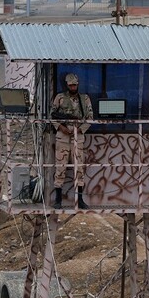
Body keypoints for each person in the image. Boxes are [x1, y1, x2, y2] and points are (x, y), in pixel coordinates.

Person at [51, 73, 93, 209]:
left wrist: (80, 129)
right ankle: (58, 200)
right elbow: (52, 116)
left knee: (79, 168)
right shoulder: (60, 98)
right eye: (70, 85)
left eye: (75, 85)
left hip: (78, 136)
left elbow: (90, 117)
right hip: (63, 137)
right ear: (67, 85)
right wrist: (62, 127)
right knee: (60, 167)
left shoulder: (84, 99)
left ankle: (80, 200)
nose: (73, 87)